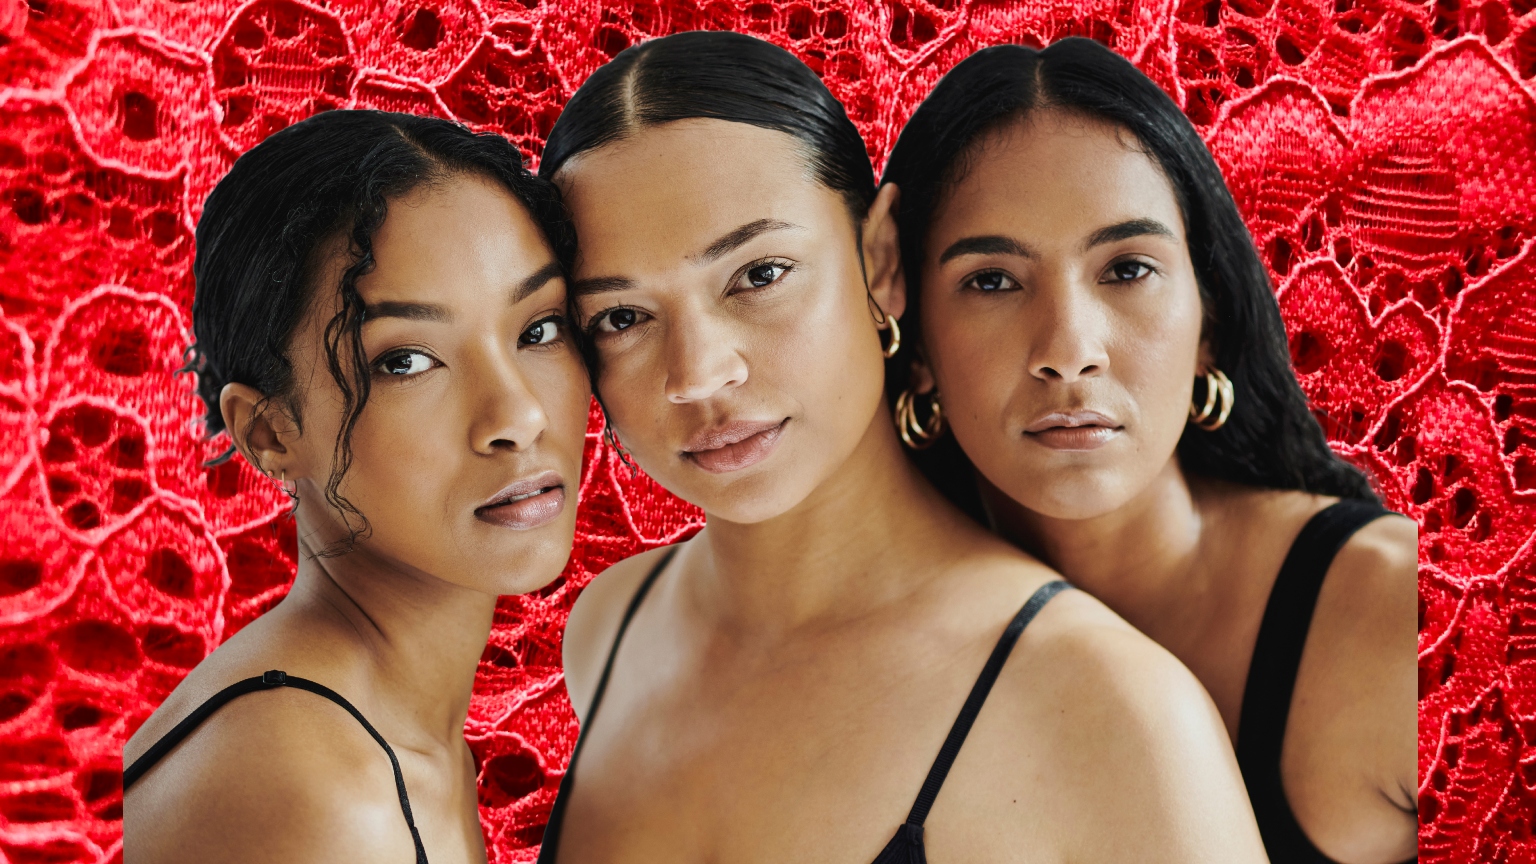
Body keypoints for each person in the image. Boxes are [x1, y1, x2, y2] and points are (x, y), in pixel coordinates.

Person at [535, 31, 1268, 863]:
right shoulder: (607, 631)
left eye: (759, 274)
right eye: (623, 318)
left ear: (879, 258)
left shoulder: (1111, 709)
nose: (698, 375)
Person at [880, 39, 1417, 864]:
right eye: (992, 280)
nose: (1068, 348)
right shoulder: (863, 655)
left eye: (1127, 268)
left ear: (1208, 326)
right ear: (917, 350)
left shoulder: (1396, 615)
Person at [122, 111, 591, 864]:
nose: (518, 417)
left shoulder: (375, 733)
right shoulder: (319, 793)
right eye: (405, 360)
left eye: (538, 329)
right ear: (269, 432)